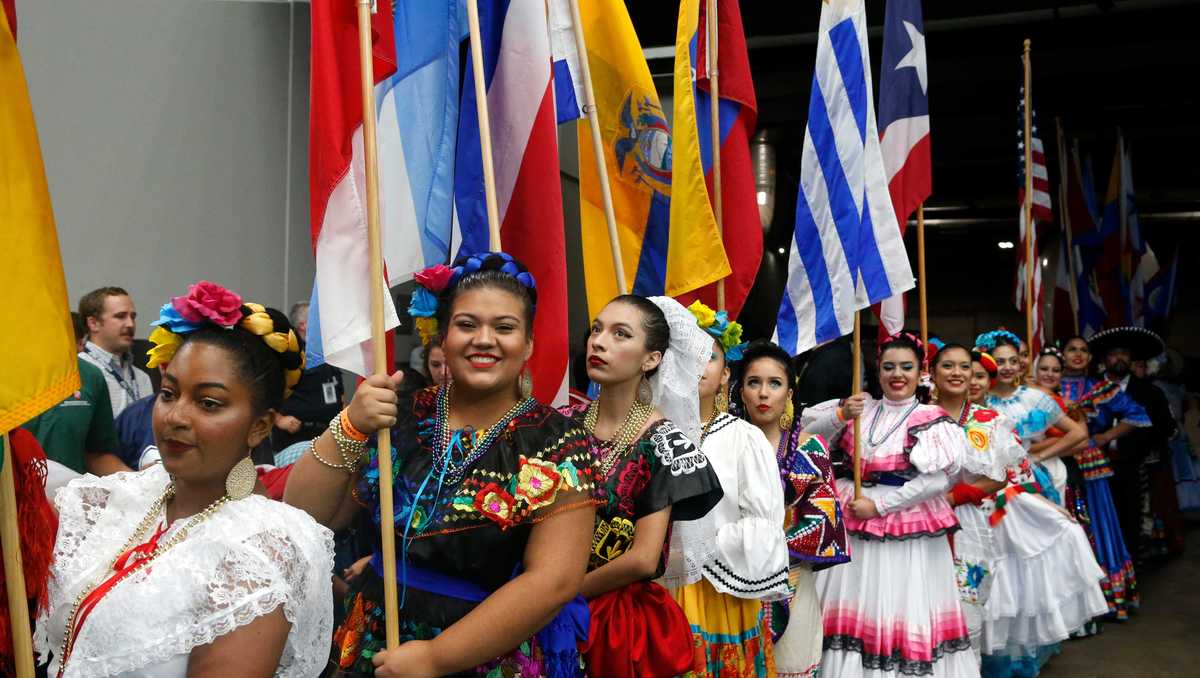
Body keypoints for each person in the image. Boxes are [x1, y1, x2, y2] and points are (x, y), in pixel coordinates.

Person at [286, 253, 602, 677]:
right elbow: (308, 515)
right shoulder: (400, 413)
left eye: (504, 327)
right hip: (374, 640)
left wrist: (437, 658)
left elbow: (554, 581)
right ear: (443, 338)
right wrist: (348, 425)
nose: (484, 339)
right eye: (467, 324)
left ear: (527, 344)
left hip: (482, 650)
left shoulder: (559, 441)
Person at [37, 281, 333, 677]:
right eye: (170, 393)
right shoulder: (121, 500)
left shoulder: (257, 550)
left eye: (209, 403)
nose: (176, 417)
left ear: (259, 427)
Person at [561, 294, 723, 678]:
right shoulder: (562, 424)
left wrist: (562, 593)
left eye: (621, 334)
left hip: (614, 622)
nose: (599, 342)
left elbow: (643, 558)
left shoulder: (664, 444)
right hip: (546, 605)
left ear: (652, 359)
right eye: (597, 329)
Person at [803, 332, 977, 677]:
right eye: (889, 367)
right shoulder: (861, 406)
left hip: (905, 522)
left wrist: (879, 507)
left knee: (903, 600)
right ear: (878, 370)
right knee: (854, 600)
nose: (897, 375)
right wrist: (840, 414)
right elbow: (809, 436)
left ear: (919, 372)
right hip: (854, 515)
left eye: (906, 367)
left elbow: (938, 481)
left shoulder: (931, 416)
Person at [937, 346, 1106, 677]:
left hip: (979, 520)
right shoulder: (922, 416)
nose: (961, 376)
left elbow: (1013, 475)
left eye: (968, 370)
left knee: (978, 602)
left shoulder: (992, 421)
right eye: (948, 366)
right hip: (928, 521)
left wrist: (1046, 504)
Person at [661, 303, 789, 677]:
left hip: (717, 591)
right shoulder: (649, 431)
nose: (698, 363)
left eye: (710, 356)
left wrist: (694, 546)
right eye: (686, 354)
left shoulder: (743, 438)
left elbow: (764, 525)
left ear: (725, 376)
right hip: (652, 587)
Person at [735, 339, 848, 678]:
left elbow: (825, 517)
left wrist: (772, 546)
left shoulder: (809, 448)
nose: (763, 393)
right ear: (740, 392)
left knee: (791, 665)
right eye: (753, 383)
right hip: (732, 578)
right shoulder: (725, 443)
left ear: (790, 393)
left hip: (793, 575)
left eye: (775, 383)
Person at [1047, 336, 1145, 621]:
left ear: (1091, 359)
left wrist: (1105, 436)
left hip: (1090, 464)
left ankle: (1105, 597)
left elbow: (1136, 414)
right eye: (1071, 349)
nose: (1077, 355)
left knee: (1097, 523)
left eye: (1083, 351)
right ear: (1061, 355)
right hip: (1054, 461)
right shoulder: (1048, 385)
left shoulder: (1100, 388)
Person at [1087, 327, 1182, 562]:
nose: (1119, 358)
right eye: (1113, 354)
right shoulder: (1090, 390)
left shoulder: (1150, 393)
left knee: (1133, 518)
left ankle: (1130, 569)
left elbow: (1166, 429)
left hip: (1135, 467)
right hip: (1095, 467)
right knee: (1101, 519)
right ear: (1104, 359)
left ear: (1131, 359)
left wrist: (1139, 442)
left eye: (1125, 354)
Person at [976, 331, 1086, 504]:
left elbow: (1078, 433)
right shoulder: (980, 400)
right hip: (995, 481)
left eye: (1013, 361)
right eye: (1000, 362)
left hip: (1039, 476)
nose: (1008, 367)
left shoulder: (1035, 397)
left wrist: (1039, 456)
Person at [272, 300, 346, 451]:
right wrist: (279, 420)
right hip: (296, 436)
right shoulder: (288, 353)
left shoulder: (327, 351)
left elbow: (339, 390)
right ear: (303, 325)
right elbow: (266, 391)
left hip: (328, 433)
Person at [77, 286, 153, 418]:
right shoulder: (77, 372)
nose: (130, 324)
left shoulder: (143, 378)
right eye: (120, 316)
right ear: (93, 323)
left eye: (133, 317)